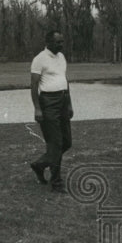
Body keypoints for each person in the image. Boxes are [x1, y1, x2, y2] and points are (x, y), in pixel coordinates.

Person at [29, 30, 74, 192]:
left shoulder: (61, 57)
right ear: (48, 42)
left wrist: (69, 104)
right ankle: (56, 183)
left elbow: (64, 80)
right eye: (58, 42)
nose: (61, 45)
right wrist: (37, 108)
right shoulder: (39, 59)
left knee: (67, 142)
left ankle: (39, 165)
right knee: (55, 143)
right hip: (48, 103)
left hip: (62, 101)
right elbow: (34, 85)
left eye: (62, 41)